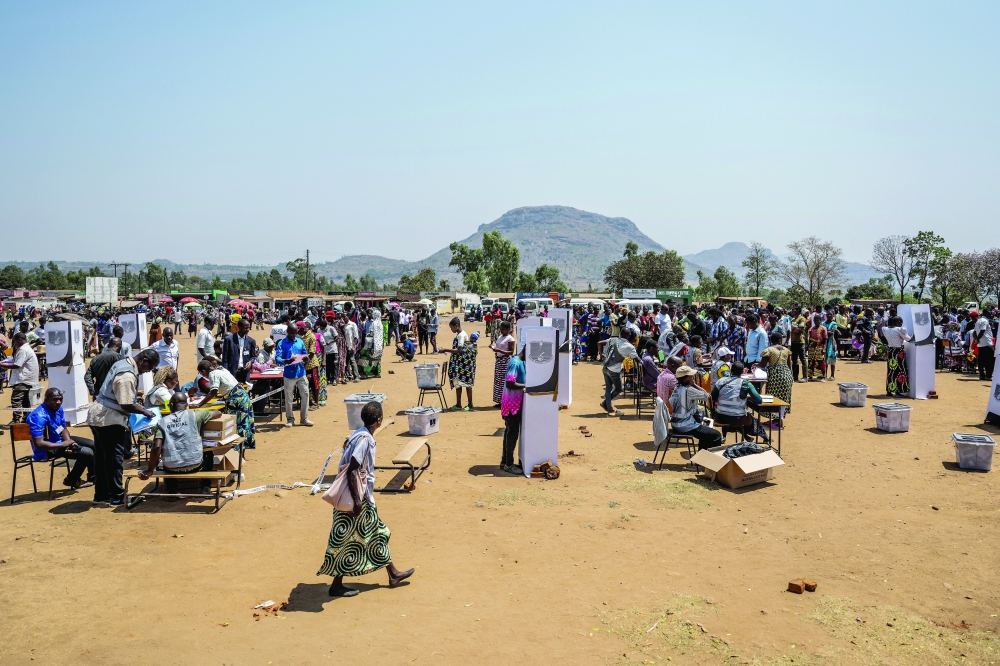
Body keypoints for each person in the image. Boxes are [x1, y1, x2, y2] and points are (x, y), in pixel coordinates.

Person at [318, 401, 414, 597]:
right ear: (379, 420)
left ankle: (393, 572)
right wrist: (358, 501)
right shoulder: (365, 440)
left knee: (378, 533)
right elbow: (353, 469)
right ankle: (336, 585)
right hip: (356, 499)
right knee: (345, 541)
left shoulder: (358, 433)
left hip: (359, 498)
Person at [86, 348, 159, 506]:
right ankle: (117, 496)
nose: (148, 372)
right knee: (114, 459)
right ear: (143, 361)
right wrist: (145, 412)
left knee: (102, 457)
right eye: (150, 368)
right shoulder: (127, 375)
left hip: (99, 416)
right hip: (109, 419)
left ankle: (102, 494)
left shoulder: (123, 362)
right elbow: (125, 403)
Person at [138, 392, 221, 494]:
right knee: (208, 453)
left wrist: (149, 470)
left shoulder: (162, 422)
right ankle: (205, 486)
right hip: (196, 465)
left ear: (171, 406)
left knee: (167, 455)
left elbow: (156, 447)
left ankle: (172, 489)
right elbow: (218, 413)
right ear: (186, 405)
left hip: (171, 468)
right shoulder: (195, 415)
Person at [26, 388, 95, 489]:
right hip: (47, 449)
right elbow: (39, 444)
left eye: (60, 399)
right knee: (88, 453)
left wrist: (68, 442)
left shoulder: (58, 408)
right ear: (46, 400)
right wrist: (63, 445)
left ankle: (93, 477)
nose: (58, 402)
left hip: (61, 441)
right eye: (54, 399)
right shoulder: (38, 416)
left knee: (94, 445)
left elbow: (63, 428)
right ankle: (71, 479)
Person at [192, 358, 258, 449]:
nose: (202, 376)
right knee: (244, 425)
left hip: (236, 401)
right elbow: (228, 385)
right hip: (243, 397)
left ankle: (236, 452)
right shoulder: (221, 369)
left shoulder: (213, 374)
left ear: (203, 371)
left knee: (235, 426)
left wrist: (199, 404)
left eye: (201, 373)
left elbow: (213, 392)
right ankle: (241, 453)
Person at [669, 366, 722, 450]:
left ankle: (701, 458)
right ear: (685, 379)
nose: (692, 378)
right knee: (716, 435)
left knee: (706, 432)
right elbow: (706, 396)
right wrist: (694, 384)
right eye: (690, 376)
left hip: (676, 424)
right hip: (685, 426)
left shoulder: (676, 388)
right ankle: (709, 459)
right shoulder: (689, 390)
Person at [712, 362, 764, 442]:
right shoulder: (745, 383)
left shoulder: (720, 381)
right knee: (750, 419)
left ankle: (745, 436)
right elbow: (758, 400)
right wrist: (746, 398)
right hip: (738, 419)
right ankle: (762, 437)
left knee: (731, 415)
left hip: (720, 417)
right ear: (742, 372)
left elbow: (713, 396)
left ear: (731, 371)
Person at [276, 322, 313, 427]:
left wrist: (306, 358)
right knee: (289, 398)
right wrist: (286, 361)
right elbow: (277, 358)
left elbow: (306, 354)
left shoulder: (300, 341)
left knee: (305, 395)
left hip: (301, 373)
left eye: (295, 333)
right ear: (287, 332)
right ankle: (290, 419)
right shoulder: (281, 343)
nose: (293, 335)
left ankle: (304, 418)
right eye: (291, 333)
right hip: (289, 374)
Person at [598, 328, 639, 416]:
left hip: (605, 367)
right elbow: (637, 359)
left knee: (608, 389)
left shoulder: (612, 339)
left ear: (620, 333)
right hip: (615, 370)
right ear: (628, 336)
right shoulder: (629, 346)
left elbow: (599, 343)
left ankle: (607, 406)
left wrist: (601, 355)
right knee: (619, 388)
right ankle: (607, 406)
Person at [1, 332, 39, 424]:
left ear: (20, 340)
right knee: (25, 399)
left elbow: (17, 365)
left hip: (22, 379)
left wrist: (1, 364)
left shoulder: (23, 350)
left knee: (16, 399)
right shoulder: (26, 348)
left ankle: (16, 420)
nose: (15, 344)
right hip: (27, 378)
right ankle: (27, 417)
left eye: (15, 342)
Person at [499, 347, 526, 475]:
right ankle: (509, 464)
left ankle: (505, 461)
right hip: (511, 404)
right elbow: (510, 383)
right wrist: (528, 385)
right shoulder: (515, 362)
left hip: (512, 402)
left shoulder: (519, 361)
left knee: (509, 431)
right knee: (512, 433)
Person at [441, 317, 477, 411]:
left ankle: (470, 404)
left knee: (467, 384)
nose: (451, 329)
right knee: (458, 383)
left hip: (464, 364)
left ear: (456, 326)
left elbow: (459, 350)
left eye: (451, 327)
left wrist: (445, 350)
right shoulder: (459, 334)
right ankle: (458, 404)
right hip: (460, 363)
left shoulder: (461, 335)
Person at [758, 332, 793, 425]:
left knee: (774, 398)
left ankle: (777, 422)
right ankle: (778, 420)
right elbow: (789, 365)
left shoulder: (769, 350)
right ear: (780, 340)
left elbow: (762, 364)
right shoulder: (786, 350)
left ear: (770, 340)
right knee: (783, 399)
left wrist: (755, 366)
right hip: (787, 375)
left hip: (775, 376)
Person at [883, 315, 913, 397]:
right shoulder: (899, 329)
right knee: (900, 371)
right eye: (901, 322)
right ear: (898, 322)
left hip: (890, 351)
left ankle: (889, 391)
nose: (901, 324)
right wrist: (913, 335)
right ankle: (898, 391)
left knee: (891, 371)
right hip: (898, 352)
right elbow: (908, 339)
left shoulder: (885, 329)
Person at [222, 318, 258, 383]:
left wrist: (250, 362)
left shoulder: (251, 341)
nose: (247, 330)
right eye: (245, 328)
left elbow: (253, 356)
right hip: (232, 373)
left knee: (245, 391)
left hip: (245, 373)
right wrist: (226, 372)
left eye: (248, 328)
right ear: (239, 327)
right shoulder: (229, 340)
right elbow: (225, 359)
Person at [490, 320, 516, 407]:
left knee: (504, 381)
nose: (501, 330)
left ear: (508, 329)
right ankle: (500, 401)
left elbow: (511, 352)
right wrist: (494, 349)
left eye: (503, 329)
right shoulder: (501, 336)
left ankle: (505, 401)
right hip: (499, 361)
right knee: (498, 381)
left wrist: (499, 350)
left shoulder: (510, 339)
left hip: (505, 362)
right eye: (500, 329)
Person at [357, 309, 385, 379]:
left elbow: (371, 335)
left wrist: (367, 346)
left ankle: (365, 373)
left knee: (364, 358)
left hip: (372, 344)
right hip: (379, 345)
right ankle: (377, 373)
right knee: (377, 359)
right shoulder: (380, 324)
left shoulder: (374, 324)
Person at [971, 311, 996, 381]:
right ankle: (988, 375)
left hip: (980, 344)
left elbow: (974, 332)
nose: (991, 315)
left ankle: (982, 375)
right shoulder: (985, 321)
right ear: (986, 313)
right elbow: (982, 331)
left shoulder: (978, 321)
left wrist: (976, 339)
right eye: (989, 313)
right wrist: (977, 339)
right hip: (987, 343)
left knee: (981, 360)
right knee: (990, 360)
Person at [789, 308, 808, 381]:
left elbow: (799, 330)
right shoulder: (793, 320)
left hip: (800, 342)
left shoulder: (802, 319)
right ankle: (795, 376)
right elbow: (792, 329)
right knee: (794, 360)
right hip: (793, 342)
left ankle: (805, 377)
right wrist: (794, 329)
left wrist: (794, 329)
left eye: (794, 310)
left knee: (802, 359)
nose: (792, 311)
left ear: (798, 311)